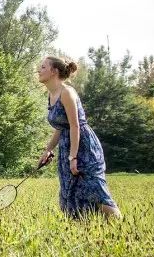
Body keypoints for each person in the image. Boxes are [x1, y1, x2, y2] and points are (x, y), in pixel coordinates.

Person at [37, 56, 121, 219]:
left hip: (83, 146)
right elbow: (61, 127)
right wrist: (48, 150)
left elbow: (75, 125)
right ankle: (87, 232)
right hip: (67, 146)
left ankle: (121, 228)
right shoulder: (52, 94)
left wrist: (73, 157)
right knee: (73, 194)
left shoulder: (66, 92)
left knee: (96, 191)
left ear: (54, 71)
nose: (39, 70)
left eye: (43, 67)